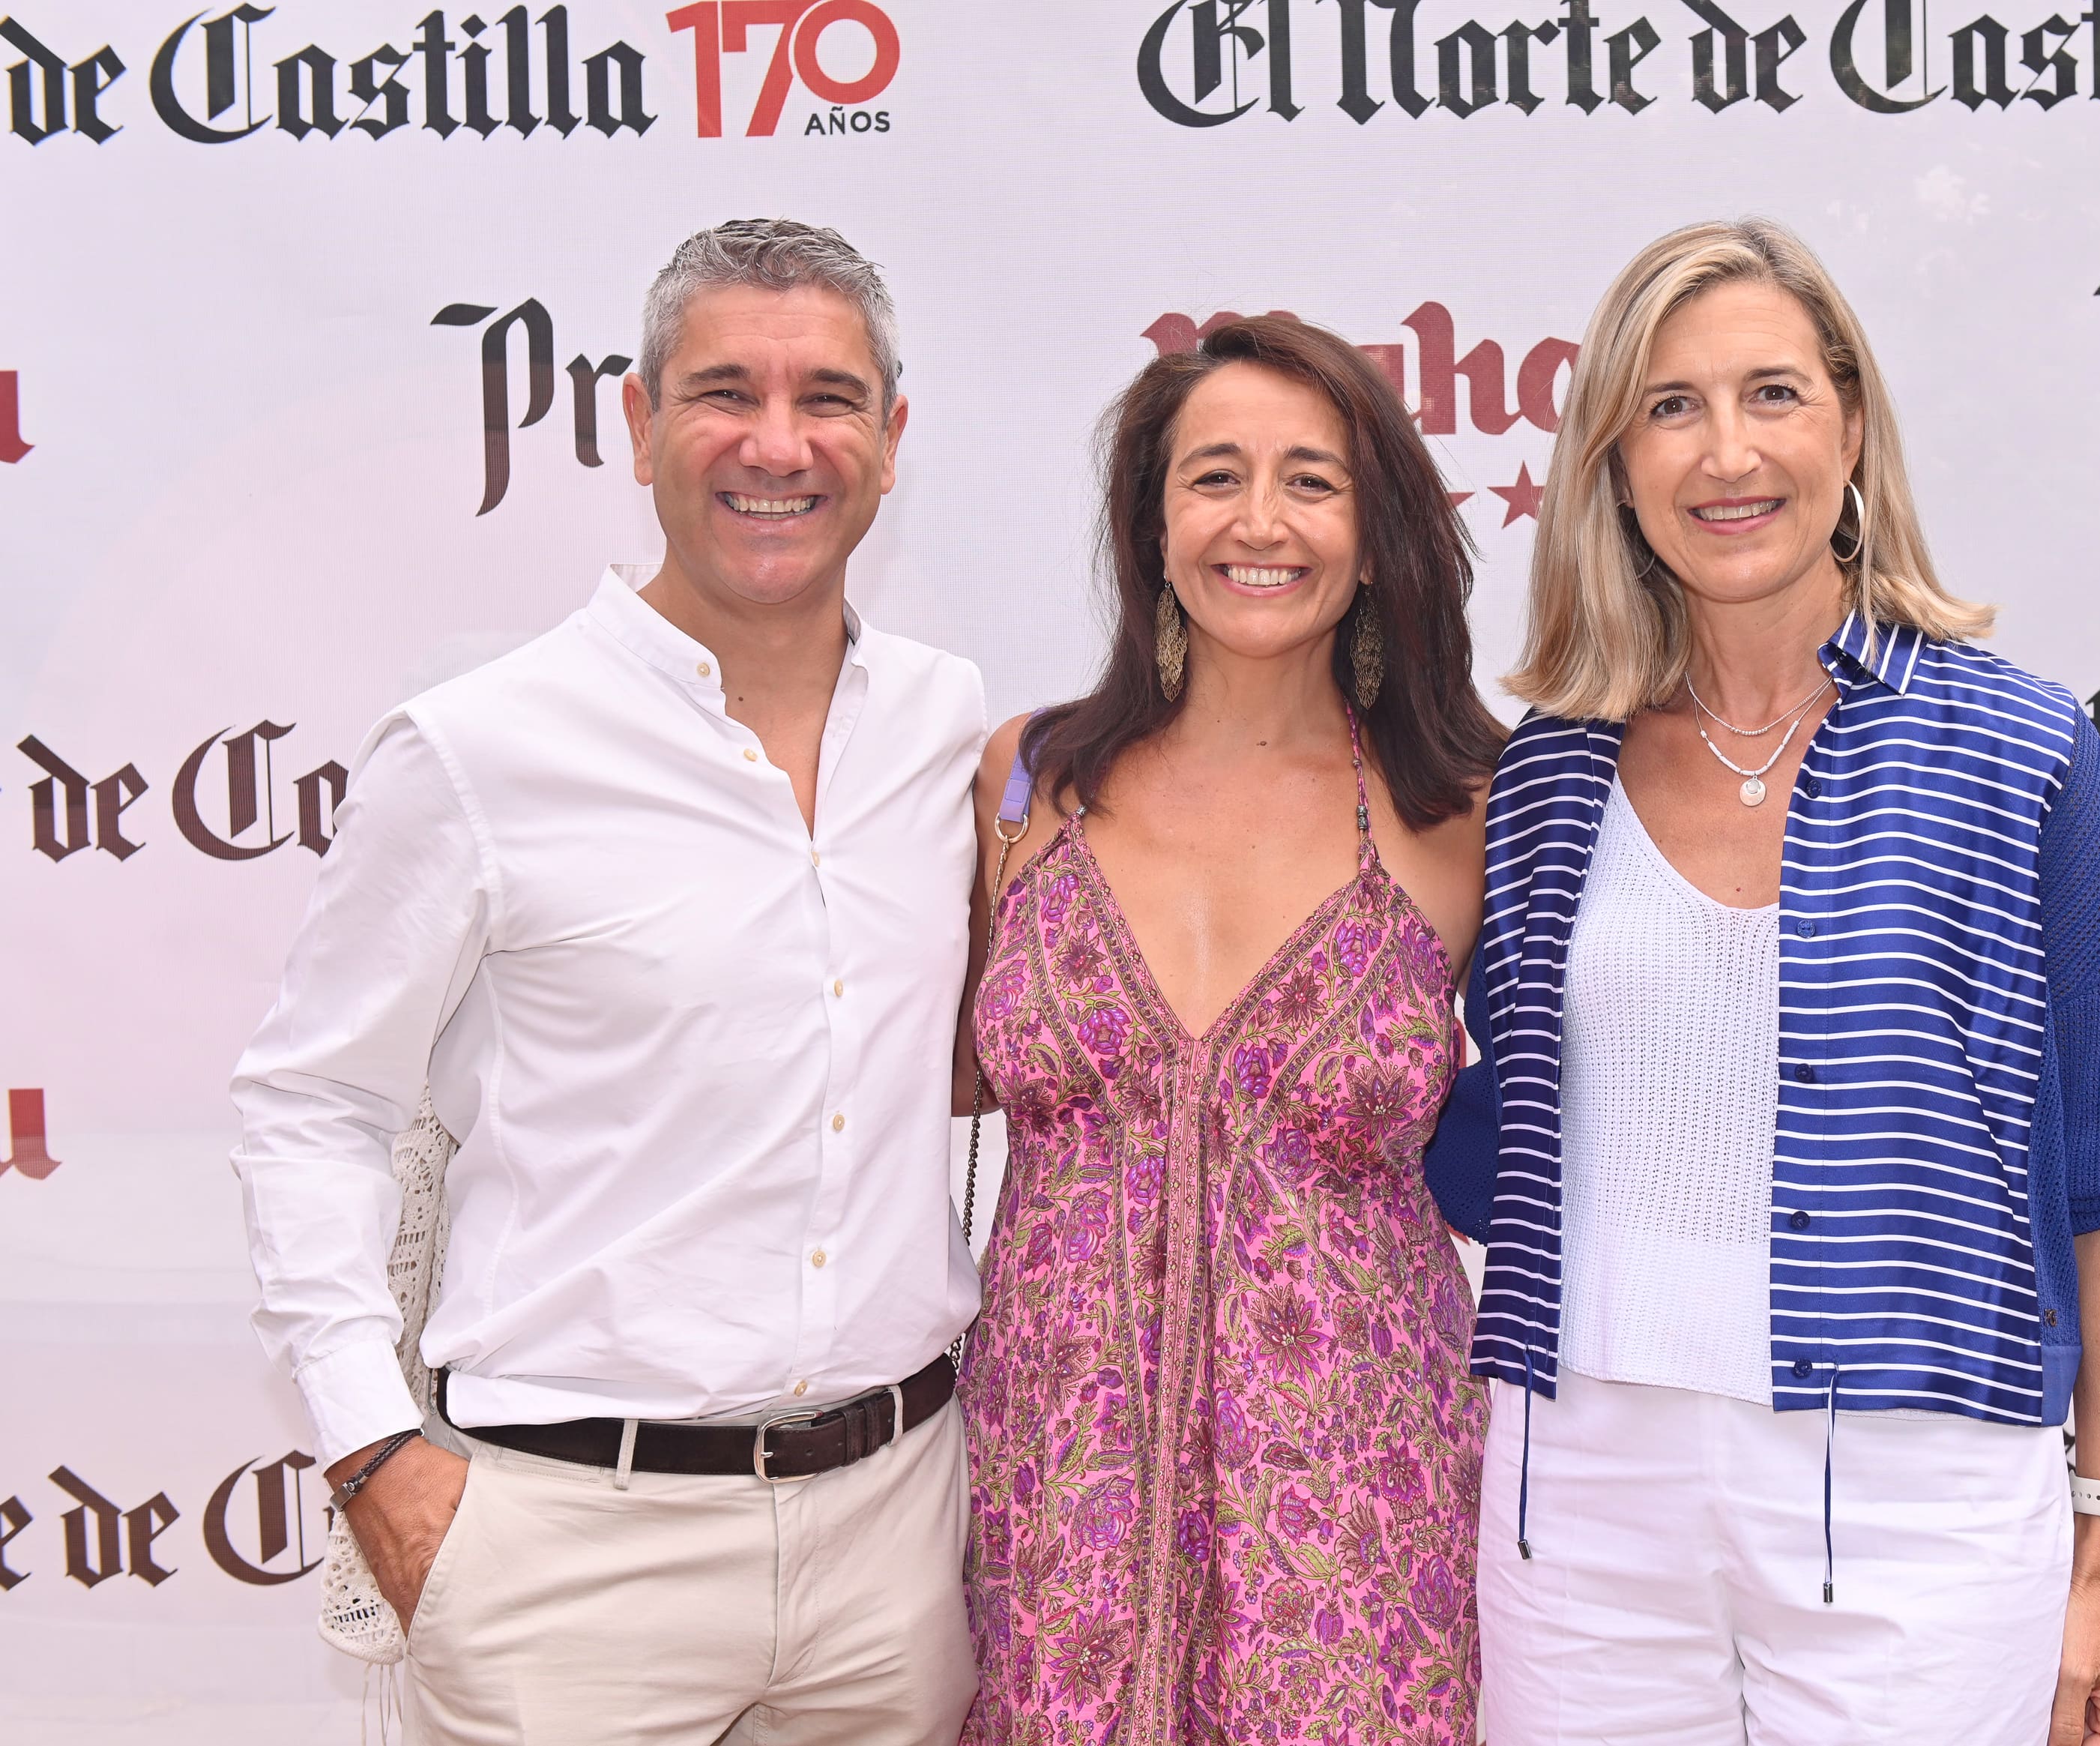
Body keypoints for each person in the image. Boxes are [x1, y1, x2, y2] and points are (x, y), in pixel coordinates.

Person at [1422, 217, 2100, 1746]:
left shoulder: (2019, 754)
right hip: (1574, 1494)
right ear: (1611, 462)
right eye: (1670, 406)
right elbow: (1479, 1129)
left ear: (1850, 424)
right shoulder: (1541, 781)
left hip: (1918, 1502)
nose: (1726, 452)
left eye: (1772, 393)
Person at [230, 219, 982, 1745]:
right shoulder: (480, 746)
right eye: (724, 392)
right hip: (570, 1549)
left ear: (892, 443)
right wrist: (372, 1449)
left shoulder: (946, 723)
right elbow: (311, 1108)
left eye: (829, 397)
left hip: (900, 1537)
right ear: (638, 426)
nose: (778, 443)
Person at [952, 316, 1506, 1745]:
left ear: (1377, 534)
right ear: (1150, 526)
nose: (1261, 522)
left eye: (1312, 481)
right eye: (1214, 478)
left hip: (1357, 1517)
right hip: (1057, 1495)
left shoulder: (1466, 808)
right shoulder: (1030, 780)